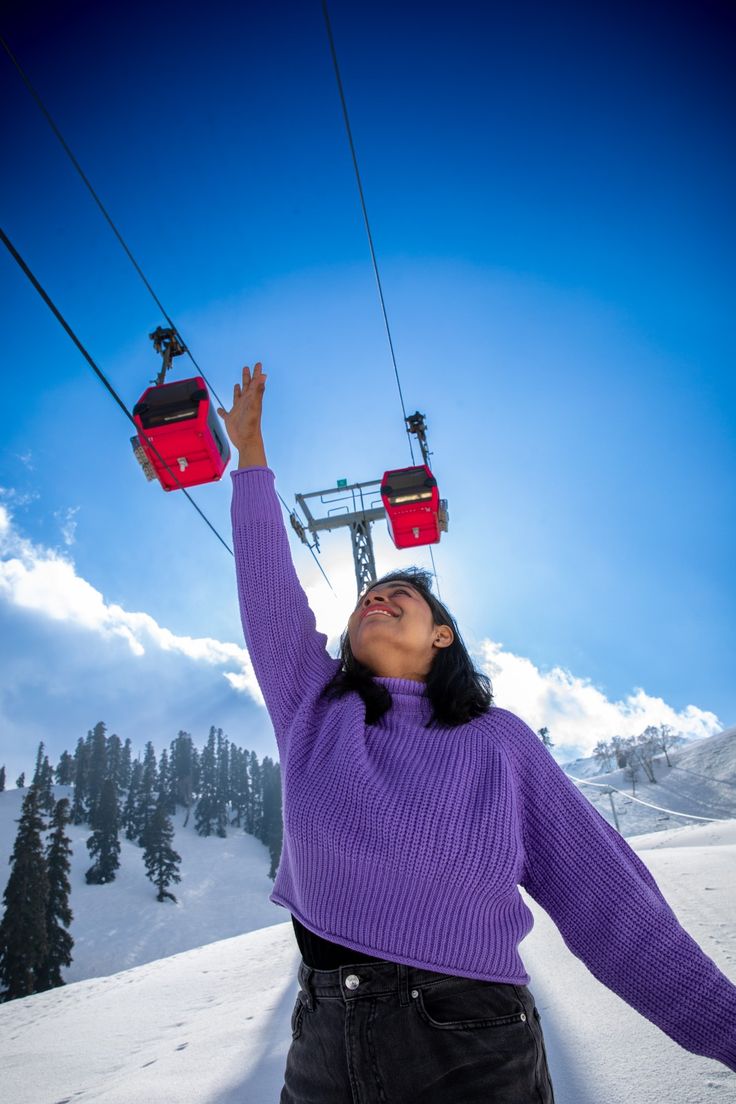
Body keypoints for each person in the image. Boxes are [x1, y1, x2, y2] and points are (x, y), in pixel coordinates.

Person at [219, 363, 736, 1103]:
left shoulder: (499, 743)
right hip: (324, 1040)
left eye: (403, 594)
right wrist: (251, 460)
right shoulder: (313, 709)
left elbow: (612, 908)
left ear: (443, 638)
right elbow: (267, 589)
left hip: (468, 1041)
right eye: (368, 593)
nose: (378, 595)